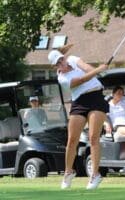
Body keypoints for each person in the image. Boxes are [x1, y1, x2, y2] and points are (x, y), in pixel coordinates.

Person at [48, 44, 109, 190]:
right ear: (55, 66)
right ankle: (68, 172)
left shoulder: (73, 59)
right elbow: (81, 80)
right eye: (58, 63)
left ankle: (95, 175)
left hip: (96, 98)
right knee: (72, 140)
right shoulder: (62, 78)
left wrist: (97, 70)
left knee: (93, 137)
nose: (62, 63)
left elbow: (88, 69)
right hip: (79, 102)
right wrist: (99, 70)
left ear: (63, 57)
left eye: (61, 59)